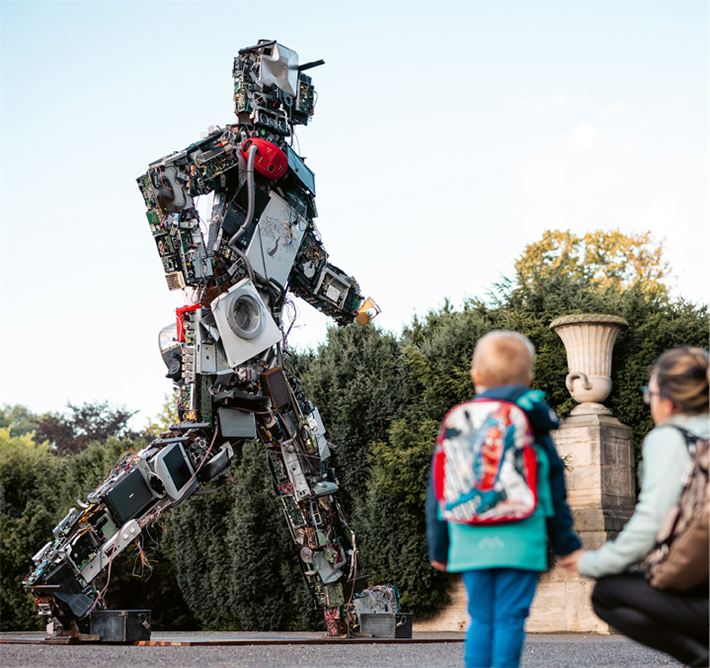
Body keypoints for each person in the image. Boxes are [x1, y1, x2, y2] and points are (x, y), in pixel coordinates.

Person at [426, 330, 581, 668]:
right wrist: (566, 545)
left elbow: (437, 491)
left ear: (476, 376)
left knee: (480, 617)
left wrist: (439, 548)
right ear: (529, 378)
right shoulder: (533, 419)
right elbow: (554, 488)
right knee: (510, 618)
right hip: (521, 540)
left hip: (468, 538)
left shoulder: (459, 421)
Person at [559, 346, 710, 668]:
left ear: (666, 401)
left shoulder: (672, 437)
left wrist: (594, 562)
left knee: (608, 594)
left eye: (649, 393)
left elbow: (649, 525)